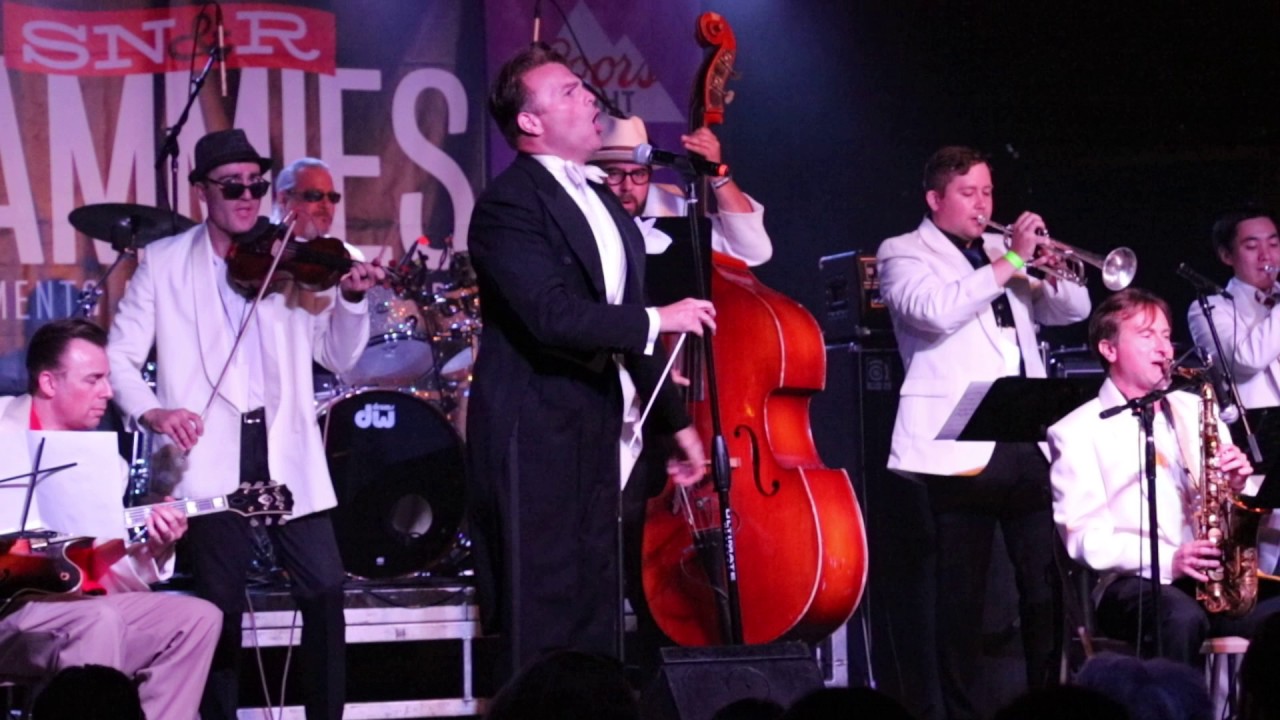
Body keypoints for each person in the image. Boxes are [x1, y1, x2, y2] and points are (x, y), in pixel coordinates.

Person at [107, 128, 384, 720]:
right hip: (206, 455)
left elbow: (337, 356)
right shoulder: (162, 263)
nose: (247, 196)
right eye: (232, 186)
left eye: (257, 185)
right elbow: (120, 359)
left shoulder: (293, 258)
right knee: (219, 607)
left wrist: (354, 301)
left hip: (284, 449)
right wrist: (155, 410)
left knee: (326, 588)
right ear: (203, 191)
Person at [467, 44, 713, 681]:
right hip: (534, 428)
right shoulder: (509, 204)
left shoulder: (604, 201)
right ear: (529, 121)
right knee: (542, 608)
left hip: (597, 421)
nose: (591, 99)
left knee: (597, 603)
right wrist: (663, 318)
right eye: (571, 91)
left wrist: (674, 422)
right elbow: (551, 316)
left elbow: (623, 320)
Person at [875, 145, 1091, 718]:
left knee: (1044, 589)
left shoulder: (1002, 251)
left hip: (1024, 434)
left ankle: (1049, 701)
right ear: (935, 199)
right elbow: (934, 311)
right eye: (968, 193)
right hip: (958, 441)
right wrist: (1013, 264)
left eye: (989, 193)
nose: (982, 205)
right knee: (962, 599)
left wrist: (1051, 260)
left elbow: (1071, 310)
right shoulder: (901, 252)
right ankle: (962, 712)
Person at [0, 318, 220, 720]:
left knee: (198, 618)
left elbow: (107, 566)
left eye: (108, 379)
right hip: (10, 612)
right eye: (94, 380)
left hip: (81, 603)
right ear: (49, 383)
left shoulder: (105, 463)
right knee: (98, 620)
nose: (109, 392)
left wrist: (157, 544)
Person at [1050, 288, 1280, 665]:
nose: (1164, 348)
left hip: (1210, 578)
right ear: (1109, 350)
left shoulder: (1195, 408)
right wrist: (1170, 559)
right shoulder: (1075, 431)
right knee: (1180, 619)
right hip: (1130, 582)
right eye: (1146, 335)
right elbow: (1083, 537)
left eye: (1165, 334)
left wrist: (1237, 487)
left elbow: (1227, 507)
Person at [1186, 206, 1280, 573]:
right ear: (1227, 256)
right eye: (1252, 246)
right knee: (1266, 566)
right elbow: (1244, 359)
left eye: (1274, 244)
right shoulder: (1208, 308)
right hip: (1253, 451)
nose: (1267, 255)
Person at [589, 114, 771, 266]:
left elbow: (753, 251)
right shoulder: (579, 208)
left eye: (639, 173)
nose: (627, 186)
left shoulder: (674, 208)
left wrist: (717, 175)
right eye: (613, 173)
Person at [273, 157, 342, 241]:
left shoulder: (348, 253)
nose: (326, 205)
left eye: (332, 197)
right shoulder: (260, 249)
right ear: (284, 199)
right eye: (315, 195)